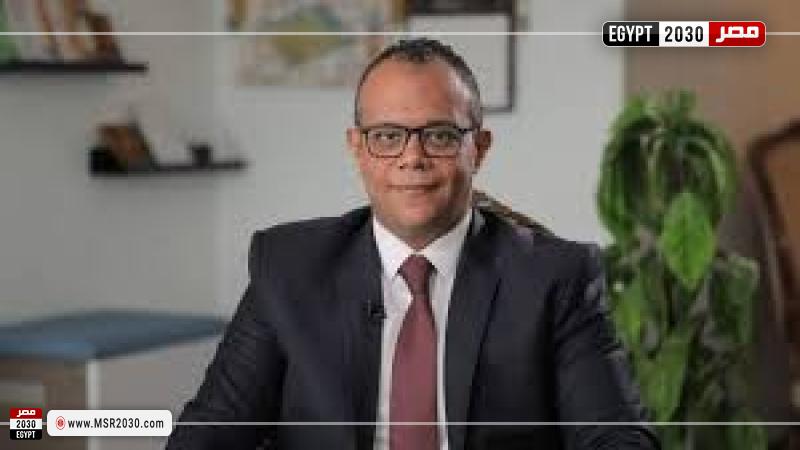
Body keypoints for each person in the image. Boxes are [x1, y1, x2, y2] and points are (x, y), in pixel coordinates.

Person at [166, 38, 659, 450]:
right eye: (387, 136)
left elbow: (616, 437)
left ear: (478, 149)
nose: (412, 158)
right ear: (357, 149)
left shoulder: (556, 277)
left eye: (439, 136)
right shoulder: (289, 267)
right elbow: (211, 430)